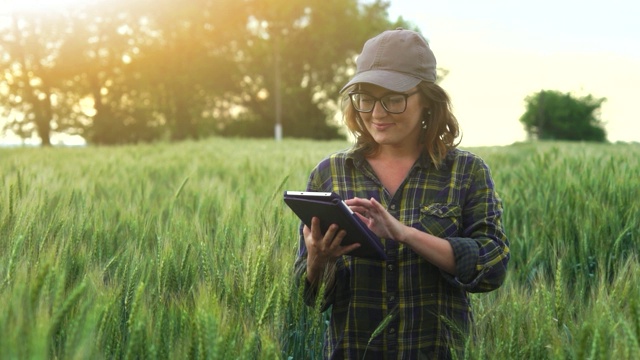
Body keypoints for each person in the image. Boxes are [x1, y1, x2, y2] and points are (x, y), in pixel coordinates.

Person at [293, 28, 510, 359]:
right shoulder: (330, 174)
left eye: (393, 98)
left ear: (427, 100)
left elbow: (491, 267)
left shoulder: (465, 172)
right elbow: (307, 299)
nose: (377, 114)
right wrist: (319, 261)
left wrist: (405, 234)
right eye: (365, 98)